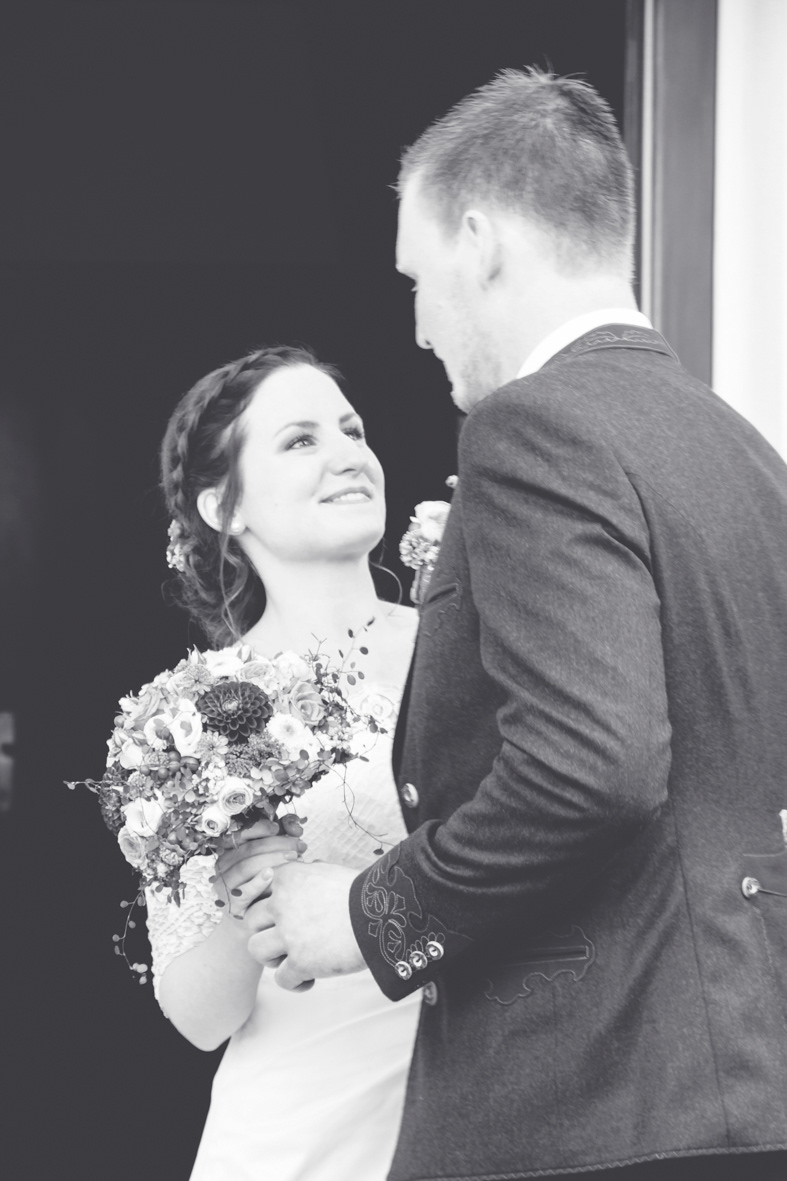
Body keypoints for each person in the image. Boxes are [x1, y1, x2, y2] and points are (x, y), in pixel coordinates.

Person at [247, 69, 787, 1180]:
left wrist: (368, 915)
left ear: (480, 240)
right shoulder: (744, 451)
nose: (415, 327)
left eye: (415, 279)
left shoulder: (531, 427)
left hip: (581, 1097)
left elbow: (591, 767)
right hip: (742, 1081)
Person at [148, 344, 421, 1180]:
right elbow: (200, 1016)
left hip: (485, 1101)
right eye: (301, 440)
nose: (348, 454)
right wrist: (251, 892)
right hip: (301, 1134)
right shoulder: (201, 711)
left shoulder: (472, 649)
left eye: (352, 430)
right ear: (224, 506)